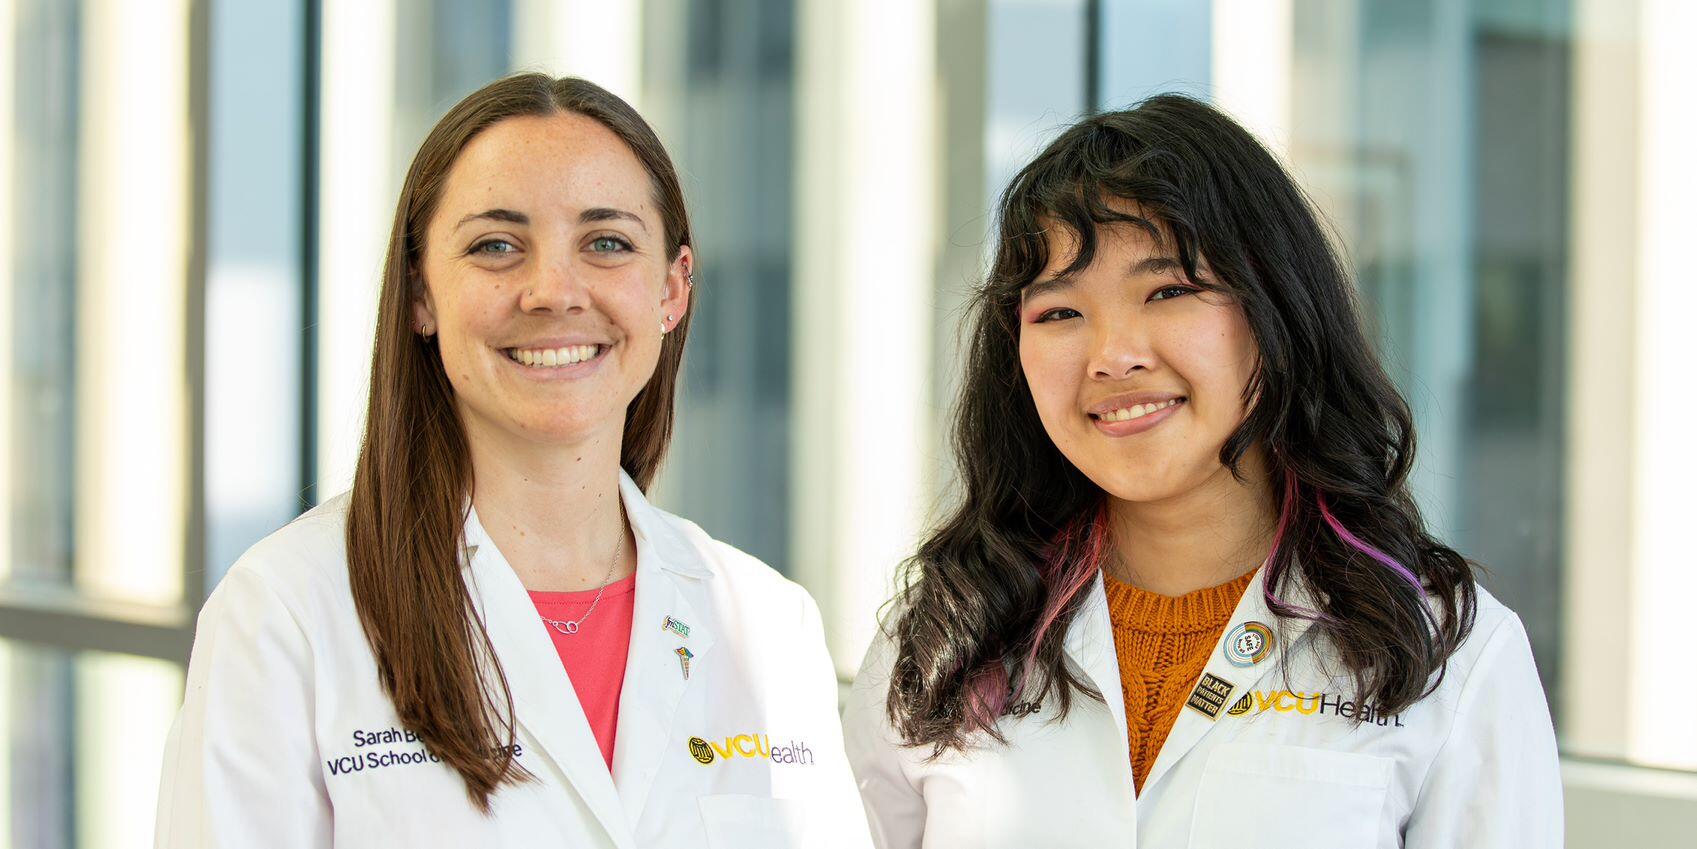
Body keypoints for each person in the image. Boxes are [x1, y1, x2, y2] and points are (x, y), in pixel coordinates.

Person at [156, 74, 870, 849]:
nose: (552, 290)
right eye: (496, 245)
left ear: (672, 289)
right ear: (420, 293)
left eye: (607, 243)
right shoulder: (285, 614)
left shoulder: (767, 625)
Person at [843, 95, 1561, 848]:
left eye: (1168, 291)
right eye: (1058, 312)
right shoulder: (942, 639)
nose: (1113, 354)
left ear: (1274, 310)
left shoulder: (1445, 652)